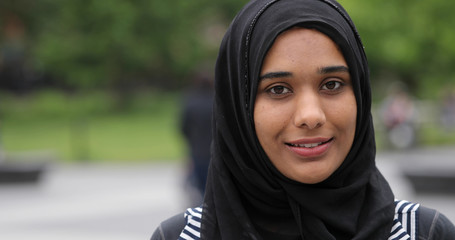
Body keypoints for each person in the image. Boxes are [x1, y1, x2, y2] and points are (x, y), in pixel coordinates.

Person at [151, 0, 455, 239]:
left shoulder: (424, 233)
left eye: (332, 84)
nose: (311, 115)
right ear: (238, 109)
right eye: (278, 89)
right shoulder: (180, 236)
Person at [180, 71, 214, 205]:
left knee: (198, 187)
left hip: (197, 151)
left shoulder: (190, 102)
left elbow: (183, 128)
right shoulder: (217, 101)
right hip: (215, 152)